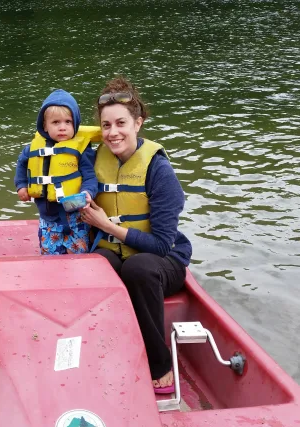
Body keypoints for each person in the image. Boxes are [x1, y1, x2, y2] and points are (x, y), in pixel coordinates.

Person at [81, 76, 193, 394]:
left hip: (162, 260)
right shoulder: (93, 159)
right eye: (106, 125)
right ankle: (104, 353)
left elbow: (160, 244)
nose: (113, 133)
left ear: (138, 123)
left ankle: (160, 364)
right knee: (93, 266)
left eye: (121, 123)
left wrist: (107, 226)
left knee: (138, 268)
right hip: (114, 249)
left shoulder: (159, 171)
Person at [14, 89, 101, 255]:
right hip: (48, 219)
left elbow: (90, 177)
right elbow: (21, 165)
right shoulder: (32, 148)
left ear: (75, 124)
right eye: (56, 122)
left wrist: (88, 192)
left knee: (79, 257)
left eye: (68, 122)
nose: (63, 127)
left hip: (76, 216)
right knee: (50, 257)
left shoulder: (81, 150)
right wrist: (21, 186)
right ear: (45, 125)